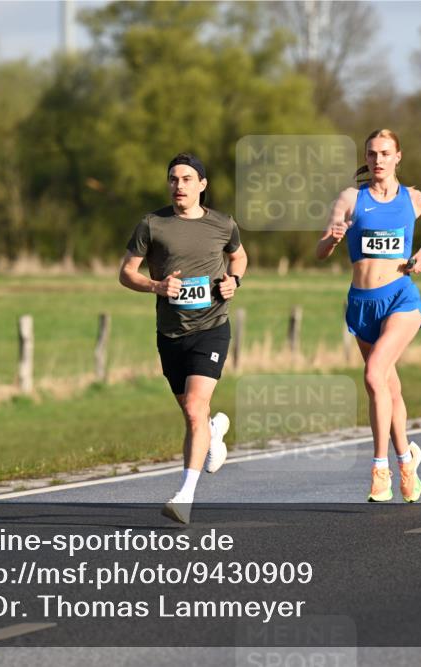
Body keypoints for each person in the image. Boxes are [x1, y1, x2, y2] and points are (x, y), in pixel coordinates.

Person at [316, 129, 421, 502]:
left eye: (385, 153)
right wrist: (332, 239)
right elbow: (320, 251)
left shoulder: (415, 198)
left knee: (373, 375)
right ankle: (407, 461)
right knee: (388, 386)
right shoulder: (351, 198)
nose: (378, 161)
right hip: (362, 302)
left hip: (400, 297)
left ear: (398, 156)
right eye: (372, 154)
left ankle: (380, 468)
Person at [119, 153, 248, 523]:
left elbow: (239, 259)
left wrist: (233, 281)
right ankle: (213, 431)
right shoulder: (152, 224)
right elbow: (126, 273)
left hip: (211, 329)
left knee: (194, 408)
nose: (179, 186)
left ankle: (185, 496)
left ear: (202, 185)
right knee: (193, 414)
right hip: (171, 333)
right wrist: (157, 285)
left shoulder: (223, 224)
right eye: (174, 179)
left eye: (187, 179)